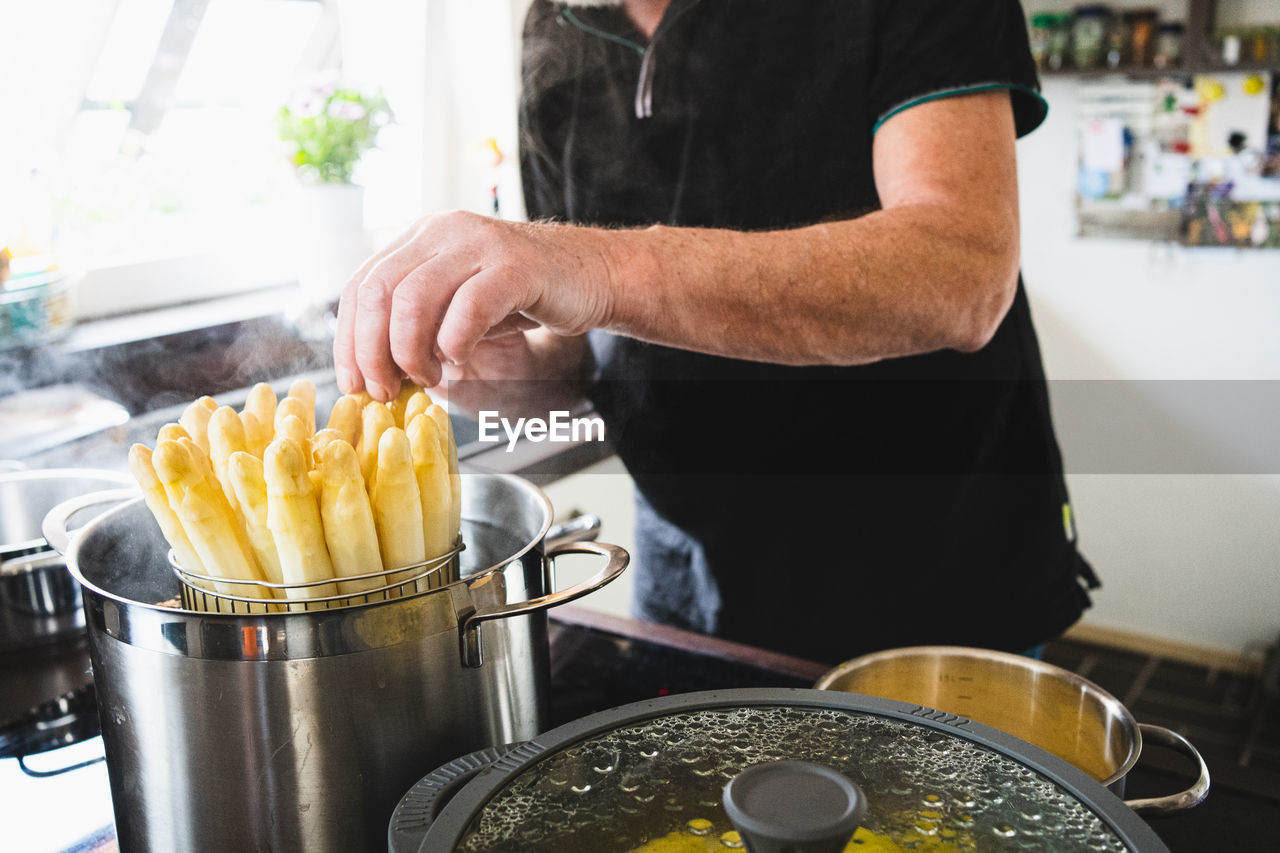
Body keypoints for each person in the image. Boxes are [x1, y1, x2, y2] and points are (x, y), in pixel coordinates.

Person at [333, 0, 1099, 664]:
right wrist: (519, 376)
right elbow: (589, 336)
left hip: (926, 563)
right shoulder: (560, 22)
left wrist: (590, 265)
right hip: (684, 565)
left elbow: (960, 276)